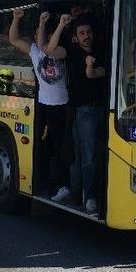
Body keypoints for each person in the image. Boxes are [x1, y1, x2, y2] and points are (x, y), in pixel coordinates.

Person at [8, 9, 71, 201]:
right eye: (37, 34)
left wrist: (45, 24)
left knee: (61, 147)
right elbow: (14, 39)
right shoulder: (35, 51)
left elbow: (48, 47)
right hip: (43, 106)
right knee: (42, 145)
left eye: (43, 33)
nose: (39, 37)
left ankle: (63, 185)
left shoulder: (61, 51)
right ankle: (43, 182)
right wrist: (16, 19)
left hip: (62, 106)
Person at [46, 13, 106, 213]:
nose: (86, 36)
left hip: (99, 109)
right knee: (77, 155)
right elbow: (50, 49)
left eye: (88, 32)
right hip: (79, 110)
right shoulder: (71, 52)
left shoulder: (102, 51)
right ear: (76, 37)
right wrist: (61, 25)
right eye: (81, 33)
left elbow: (97, 73)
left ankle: (86, 195)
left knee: (89, 155)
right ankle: (82, 195)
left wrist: (91, 67)